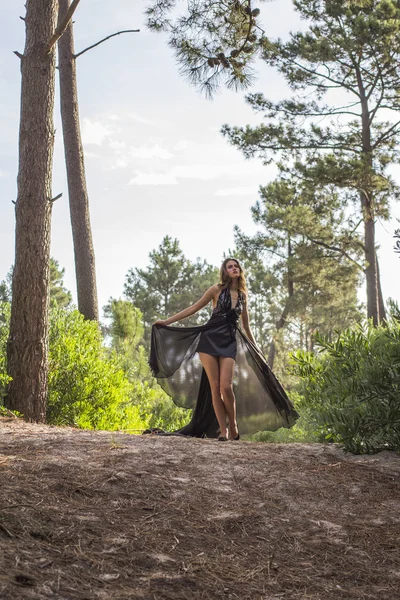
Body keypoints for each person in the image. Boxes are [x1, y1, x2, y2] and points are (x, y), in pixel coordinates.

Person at [149, 258, 298, 440]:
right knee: (215, 386)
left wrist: (257, 349)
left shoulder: (243, 294)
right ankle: (223, 431)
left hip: (228, 341)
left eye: (236, 266)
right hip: (209, 339)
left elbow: (246, 325)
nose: (234, 269)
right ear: (225, 271)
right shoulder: (216, 290)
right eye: (230, 267)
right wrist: (167, 322)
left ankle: (233, 426)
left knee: (226, 387)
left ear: (239, 270)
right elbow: (194, 308)